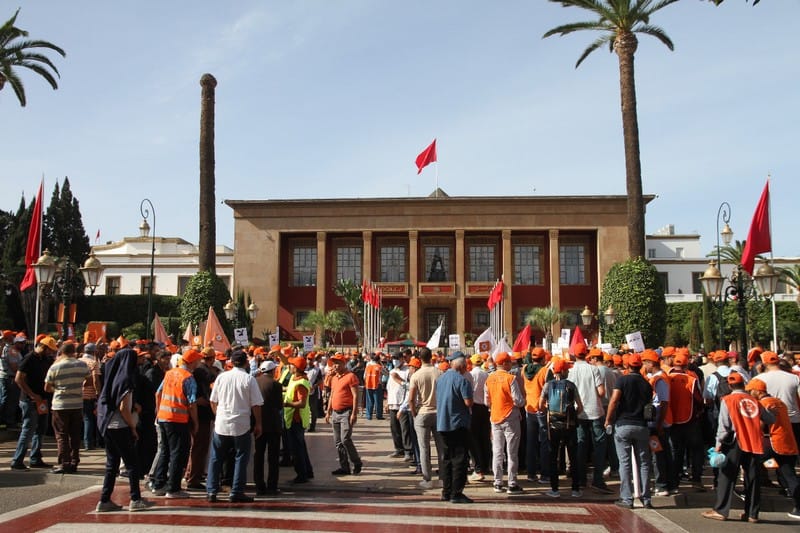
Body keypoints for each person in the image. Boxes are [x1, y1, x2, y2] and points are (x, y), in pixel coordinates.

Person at [701, 372, 775, 522]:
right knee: (752, 477)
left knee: (727, 476)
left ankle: (721, 510)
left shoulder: (727, 400)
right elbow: (770, 418)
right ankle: (752, 514)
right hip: (754, 442)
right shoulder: (754, 400)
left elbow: (724, 426)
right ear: (744, 385)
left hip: (735, 442)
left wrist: (718, 446)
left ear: (729, 386)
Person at [95, 348, 154, 512]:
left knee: (111, 464)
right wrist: (132, 427)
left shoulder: (111, 376)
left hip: (107, 425)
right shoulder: (126, 379)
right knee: (132, 463)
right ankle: (135, 498)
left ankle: (104, 499)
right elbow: (123, 407)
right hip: (120, 426)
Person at [206, 350, 263, 503]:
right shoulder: (249, 379)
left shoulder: (221, 377)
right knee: (241, 458)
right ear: (245, 362)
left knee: (216, 457)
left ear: (231, 361)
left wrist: (218, 415)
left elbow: (213, 400)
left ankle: (211, 491)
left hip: (222, 423)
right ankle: (236, 491)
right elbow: (256, 404)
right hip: (241, 424)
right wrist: (258, 423)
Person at [745, 378, 800, 520]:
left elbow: (760, 425)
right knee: (789, 475)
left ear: (758, 391)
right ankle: (799, 507)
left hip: (772, 440)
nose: (750, 394)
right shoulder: (780, 402)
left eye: (750, 391)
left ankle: (750, 497)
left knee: (751, 465)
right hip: (787, 442)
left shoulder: (763, 403)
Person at [604, 353, 654, 510]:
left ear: (627, 365)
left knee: (624, 463)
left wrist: (608, 419)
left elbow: (614, 400)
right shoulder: (646, 384)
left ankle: (627, 498)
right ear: (640, 366)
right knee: (644, 463)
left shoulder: (622, 380)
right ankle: (646, 498)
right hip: (641, 425)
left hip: (623, 425)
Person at [151, 348, 201, 499]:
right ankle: (173, 488)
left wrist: (158, 411)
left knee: (165, 451)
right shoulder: (188, 377)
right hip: (177, 419)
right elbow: (192, 403)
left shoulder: (169, 373)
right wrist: (196, 422)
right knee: (177, 453)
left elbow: (158, 393)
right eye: (198, 360)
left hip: (164, 417)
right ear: (192, 362)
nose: (199, 363)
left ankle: (159, 484)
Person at [11, 335, 57, 470]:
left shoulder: (46, 359)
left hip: (42, 399)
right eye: (49, 349)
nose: (51, 352)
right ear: (43, 347)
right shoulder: (29, 358)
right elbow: (19, 379)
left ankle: (35, 458)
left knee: (40, 429)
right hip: (29, 400)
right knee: (28, 430)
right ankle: (17, 460)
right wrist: (32, 395)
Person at [44, 342, 90, 474]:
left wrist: (59, 389)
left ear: (61, 352)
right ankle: (75, 461)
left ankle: (65, 463)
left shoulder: (55, 366)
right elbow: (90, 381)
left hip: (60, 404)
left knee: (61, 434)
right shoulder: (82, 364)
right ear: (73, 351)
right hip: (77, 403)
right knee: (75, 434)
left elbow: (47, 387)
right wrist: (77, 387)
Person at [540, 357, 583, 498]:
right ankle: (575, 489)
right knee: (573, 456)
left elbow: (539, 405)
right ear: (564, 371)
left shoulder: (548, 386)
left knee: (553, 456)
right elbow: (580, 407)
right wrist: (573, 415)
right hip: (569, 425)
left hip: (553, 426)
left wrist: (548, 411)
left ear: (554, 371)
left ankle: (554, 489)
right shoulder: (571, 386)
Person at [435, 351, 474, 504]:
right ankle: (456, 493)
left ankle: (446, 490)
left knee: (446, 459)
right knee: (459, 459)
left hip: (442, 422)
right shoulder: (462, 381)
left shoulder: (441, 378)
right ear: (462, 366)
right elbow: (468, 403)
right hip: (457, 424)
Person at [485, 351, 526, 494]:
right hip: (510, 417)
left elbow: (486, 401)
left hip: (495, 417)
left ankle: (497, 483)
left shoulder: (489, 379)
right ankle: (512, 483)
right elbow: (518, 401)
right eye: (509, 362)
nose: (511, 364)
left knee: (497, 451)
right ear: (504, 363)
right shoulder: (511, 378)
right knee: (512, 452)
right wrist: (523, 401)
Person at [667, 352, 705, 491]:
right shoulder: (691, 379)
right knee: (696, 450)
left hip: (673, 419)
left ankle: (674, 482)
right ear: (686, 364)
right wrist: (700, 411)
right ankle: (696, 479)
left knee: (676, 452)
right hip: (690, 420)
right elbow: (699, 399)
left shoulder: (666, 377)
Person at [408, 347, 441, 489]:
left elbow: (411, 399)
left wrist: (414, 414)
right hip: (438, 412)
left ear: (420, 359)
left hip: (423, 412)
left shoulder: (416, 375)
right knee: (441, 448)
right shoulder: (439, 373)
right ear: (431, 357)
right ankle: (443, 478)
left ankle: (427, 479)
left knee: (423, 448)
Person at [754, 351, 800, 451]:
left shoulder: (758, 379)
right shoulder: (794, 378)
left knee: (770, 454)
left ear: (763, 363)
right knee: (792, 454)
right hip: (792, 419)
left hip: (769, 421)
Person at [184, 348, 216, 490]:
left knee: (195, 446)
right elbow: (204, 396)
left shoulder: (198, 371)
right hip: (201, 415)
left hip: (198, 414)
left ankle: (190, 473)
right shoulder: (204, 373)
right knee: (199, 446)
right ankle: (193, 478)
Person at [326, 352, 363, 476]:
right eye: (334, 363)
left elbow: (355, 395)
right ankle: (344, 467)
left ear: (344, 363)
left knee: (345, 439)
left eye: (337, 363)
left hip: (346, 412)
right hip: (335, 413)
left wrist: (354, 413)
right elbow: (331, 395)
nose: (335, 365)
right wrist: (328, 411)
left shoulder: (351, 376)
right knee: (338, 442)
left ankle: (356, 462)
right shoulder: (334, 378)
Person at [283, 355, 314, 484]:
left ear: (295, 368)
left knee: (296, 449)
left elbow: (301, 403)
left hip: (296, 419)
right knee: (301, 446)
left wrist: (287, 404)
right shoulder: (295, 379)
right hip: (294, 418)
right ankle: (307, 471)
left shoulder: (301, 383)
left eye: (291, 365)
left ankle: (301, 475)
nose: (288, 366)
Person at [254, 360, 283, 495]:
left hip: (257, 424)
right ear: (272, 371)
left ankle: (259, 484)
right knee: (273, 456)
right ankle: (272, 485)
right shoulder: (276, 385)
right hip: (273, 425)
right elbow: (279, 405)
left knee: (258, 455)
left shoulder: (254, 382)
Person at [468, 352, 491, 483]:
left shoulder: (472, 375)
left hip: (474, 407)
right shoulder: (485, 374)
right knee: (485, 439)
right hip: (485, 408)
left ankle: (478, 468)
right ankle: (485, 466)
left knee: (474, 439)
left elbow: (470, 392)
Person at [79, 343, 102, 450]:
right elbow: (95, 380)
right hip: (89, 395)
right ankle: (88, 443)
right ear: (94, 351)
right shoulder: (93, 363)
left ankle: (78, 441)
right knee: (88, 419)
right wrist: (98, 393)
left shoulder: (78, 361)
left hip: (77, 394)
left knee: (79, 419)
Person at [363, 353, 385, 420]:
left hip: (368, 385)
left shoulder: (368, 366)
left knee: (369, 401)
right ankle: (379, 415)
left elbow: (364, 376)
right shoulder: (379, 367)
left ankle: (369, 416)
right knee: (378, 401)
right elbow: (386, 373)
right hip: (377, 385)